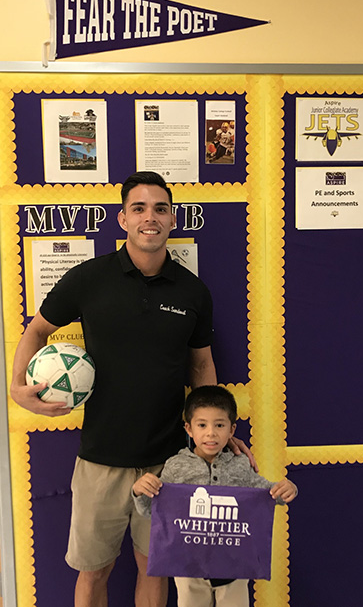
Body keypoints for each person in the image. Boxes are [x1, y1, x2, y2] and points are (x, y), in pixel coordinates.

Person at [10, 171, 232, 607]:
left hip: (168, 463)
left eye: (160, 208)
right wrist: (17, 388)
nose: (150, 217)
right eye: (139, 208)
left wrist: (216, 435)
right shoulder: (89, 279)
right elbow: (36, 331)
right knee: (94, 572)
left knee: (155, 567)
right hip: (100, 460)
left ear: (173, 220)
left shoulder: (193, 291)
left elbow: (202, 364)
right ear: (123, 219)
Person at [132, 385, 298, 607]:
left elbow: (267, 495)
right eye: (202, 425)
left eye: (219, 425)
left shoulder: (240, 466)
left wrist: (287, 489)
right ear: (189, 429)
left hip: (234, 568)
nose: (211, 433)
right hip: (188, 569)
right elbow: (151, 511)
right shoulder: (176, 466)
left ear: (231, 430)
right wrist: (139, 490)